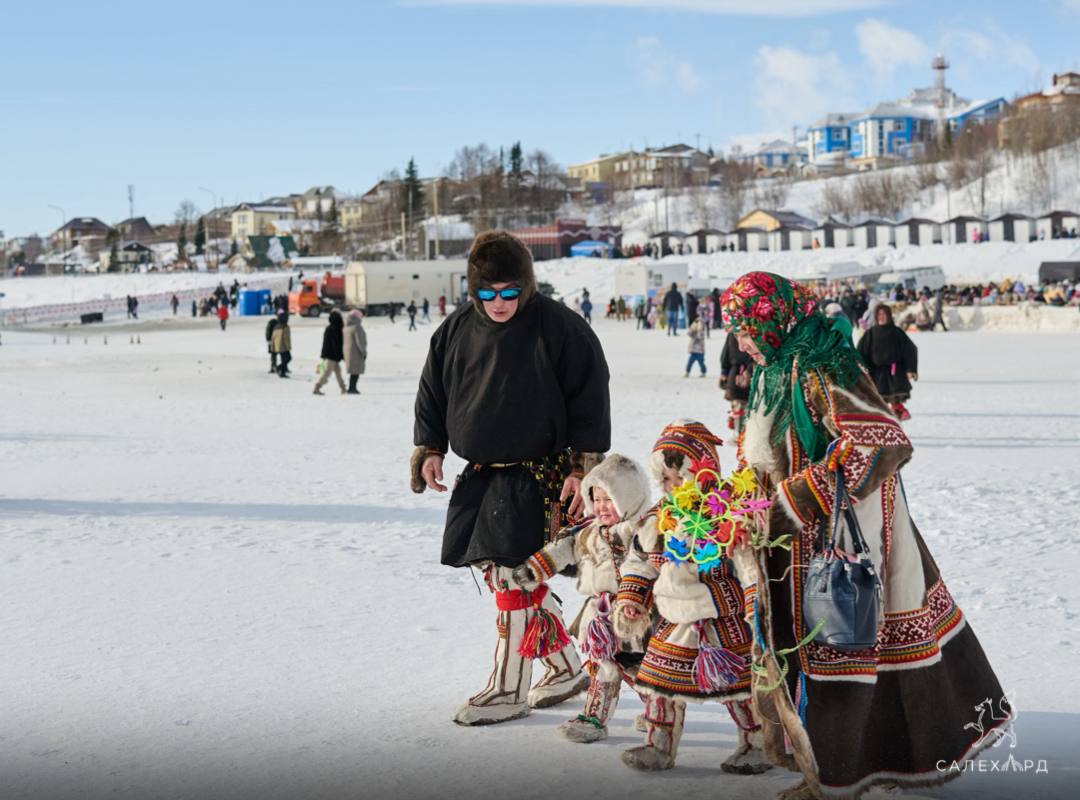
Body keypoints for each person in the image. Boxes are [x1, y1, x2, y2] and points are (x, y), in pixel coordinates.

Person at [720, 272, 1009, 799]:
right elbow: (767, 454)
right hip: (790, 544)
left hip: (847, 543)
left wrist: (791, 502)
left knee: (843, 649)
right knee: (812, 655)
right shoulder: (774, 372)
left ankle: (839, 779)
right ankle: (826, 769)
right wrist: (741, 498)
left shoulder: (827, 365)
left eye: (745, 328)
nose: (740, 342)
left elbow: (881, 443)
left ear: (773, 321)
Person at [411, 230, 611, 726]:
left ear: (526, 287)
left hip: (538, 475)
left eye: (509, 292)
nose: (499, 303)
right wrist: (429, 447)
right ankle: (564, 668)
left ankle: (508, 689)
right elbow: (432, 391)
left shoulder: (560, 328)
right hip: (480, 476)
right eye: (487, 293)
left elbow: (590, 399)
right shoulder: (455, 330)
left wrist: (580, 468)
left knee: (515, 580)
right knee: (507, 576)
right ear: (472, 290)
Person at [614, 422, 768, 774]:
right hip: (674, 618)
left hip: (721, 620)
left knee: (738, 688)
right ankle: (658, 746)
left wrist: (751, 602)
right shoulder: (659, 519)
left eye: (675, 477)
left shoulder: (726, 512)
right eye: (663, 481)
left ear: (699, 469)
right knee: (659, 685)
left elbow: (748, 564)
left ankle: (756, 744)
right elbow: (639, 559)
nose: (668, 487)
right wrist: (633, 595)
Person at [513, 455, 652, 743]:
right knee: (606, 664)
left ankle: (658, 711)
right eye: (596, 498)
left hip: (635, 614)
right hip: (600, 615)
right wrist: (534, 570)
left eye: (608, 499)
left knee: (638, 667)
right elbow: (563, 548)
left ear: (628, 498)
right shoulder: (587, 532)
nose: (601, 506)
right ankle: (595, 718)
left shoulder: (641, 531)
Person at [857, 303, 918, 420]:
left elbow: (910, 350)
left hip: (895, 372)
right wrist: (863, 369)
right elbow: (861, 352)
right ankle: (881, 419)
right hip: (876, 373)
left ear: (889, 316)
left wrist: (910, 369)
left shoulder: (897, 332)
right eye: (879, 314)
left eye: (884, 314)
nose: (881, 317)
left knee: (896, 398)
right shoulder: (870, 333)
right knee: (877, 400)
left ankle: (899, 414)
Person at [718, 331, 753, 433]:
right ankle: (744, 433)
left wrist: (724, 371)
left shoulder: (732, 333)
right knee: (749, 407)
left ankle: (738, 432)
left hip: (734, 374)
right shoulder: (751, 330)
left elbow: (725, 355)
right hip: (750, 373)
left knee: (737, 406)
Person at [313, 309, 346, 395]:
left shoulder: (329, 328)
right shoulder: (336, 329)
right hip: (332, 355)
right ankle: (317, 387)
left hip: (329, 354)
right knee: (327, 372)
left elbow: (326, 343)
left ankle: (343, 388)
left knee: (338, 372)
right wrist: (340, 355)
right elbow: (336, 344)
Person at [344, 309, 367, 394]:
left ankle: (351, 387)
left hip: (348, 352)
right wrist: (364, 352)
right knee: (356, 372)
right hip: (356, 352)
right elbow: (360, 341)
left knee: (353, 371)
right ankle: (352, 388)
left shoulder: (347, 326)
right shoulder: (357, 327)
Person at [270, 311, 292, 378]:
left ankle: (282, 371)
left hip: (277, 346)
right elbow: (286, 338)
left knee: (284, 359)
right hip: (284, 346)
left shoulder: (276, 326)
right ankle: (280, 369)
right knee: (288, 358)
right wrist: (288, 347)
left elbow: (273, 337)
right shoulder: (285, 327)